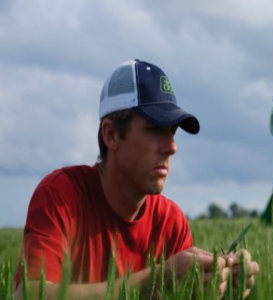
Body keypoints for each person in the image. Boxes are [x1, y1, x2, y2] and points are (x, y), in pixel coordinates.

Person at [14, 59, 259, 298]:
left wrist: (218, 290)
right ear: (110, 135)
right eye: (155, 130)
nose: (172, 147)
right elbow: (29, 293)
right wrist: (157, 280)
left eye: (172, 133)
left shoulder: (170, 223)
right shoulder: (61, 196)